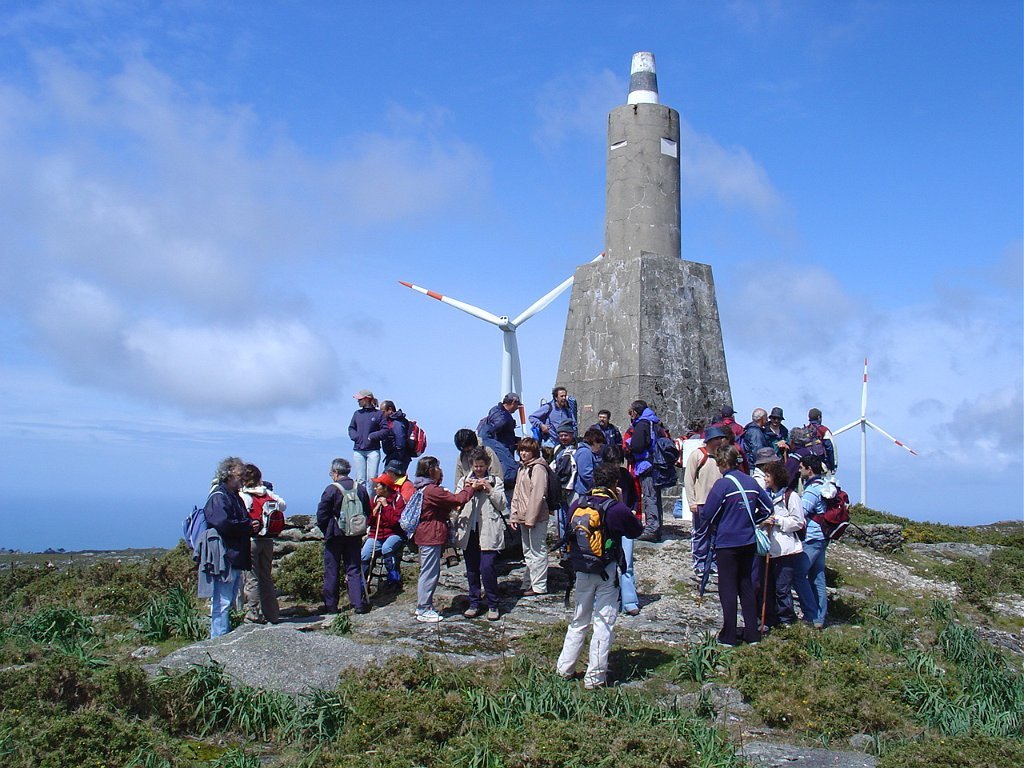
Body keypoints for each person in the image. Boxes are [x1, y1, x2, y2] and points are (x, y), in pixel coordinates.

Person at [555, 462, 643, 689]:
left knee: (579, 620)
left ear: (594, 481)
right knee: (603, 622)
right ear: (615, 483)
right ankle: (594, 678)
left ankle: (564, 668)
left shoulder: (578, 504)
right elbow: (636, 530)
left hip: (582, 569)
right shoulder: (615, 508)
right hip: (607, 570)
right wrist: (621, 502)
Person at [701, 445, 773, 646]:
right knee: (746, 585)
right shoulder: (751, 481)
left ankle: (729, 635)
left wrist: (722, 522)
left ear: (722, 463)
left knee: (728, 588)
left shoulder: (722, 485)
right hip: (748, 540)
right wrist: (752, 521)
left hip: (727, 542)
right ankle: (752, 633)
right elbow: (768, 509)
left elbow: (708, 514)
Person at [410, 455, 477, 623]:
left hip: (425, 534)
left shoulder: (422, 487)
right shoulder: (432, 490)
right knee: (429, 572)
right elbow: (457, 499)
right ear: (430, 470)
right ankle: (424, 608)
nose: (440, 470)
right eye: (437, 467)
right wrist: (470, 488)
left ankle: (423, 606)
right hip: (430, 534)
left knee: (427, 571)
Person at [199, 457, 259, 638]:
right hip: (225, 555)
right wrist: (247, 526)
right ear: (229, 475)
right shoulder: (219, 497)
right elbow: (223, 524)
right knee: (222, 601)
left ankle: (223, 636)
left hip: (234, 554)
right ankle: (218, 639)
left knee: (228, 599)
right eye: (240, 476)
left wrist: (249, 525)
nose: (243, 480)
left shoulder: (232, 496)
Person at [454, 447, 508, 621]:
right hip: (469, 530)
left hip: (488, 529)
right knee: (471, 569)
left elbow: (502, 504)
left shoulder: (495, 481)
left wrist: (489, 488)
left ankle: (493, 604)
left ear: (487, 465)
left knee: (487, 567)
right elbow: (457, 501)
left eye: (481, 466)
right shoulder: (464, 481)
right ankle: (474, 602)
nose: (478, 469)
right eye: (475, 466)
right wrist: (468, 490)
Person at [762, 460, 817, 629]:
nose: (765, 479)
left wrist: (778, 520)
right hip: (768, 548)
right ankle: (771, 619)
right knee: (769, 586)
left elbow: (798, 522)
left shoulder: (791, 497)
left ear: (776, 477)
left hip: (786, 550)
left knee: (782, 587)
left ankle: (786, 620)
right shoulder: (764, 496)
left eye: (768, 475)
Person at [317, 458, 371, 614]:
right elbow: (367, 511)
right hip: (355, 534)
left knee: (332, 569)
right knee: (353, 568)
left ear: (335, 472)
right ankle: (358, 603)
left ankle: (331, 606)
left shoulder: (331, 489)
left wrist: (326, 530)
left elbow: (322, 514)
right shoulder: (360, 488)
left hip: (335, 534)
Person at [239, 464, 286, 625]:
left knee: (252, 579)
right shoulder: (268, 493)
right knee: (266, 577)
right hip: (268, 540)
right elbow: (283, 505)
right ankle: (272, 614)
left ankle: (253, 613)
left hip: (251, 540)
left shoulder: (244, 496)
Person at [684, 425, 730, 574]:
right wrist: (692, 502)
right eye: (717, 439)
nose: (720, 441)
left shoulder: (721, 456)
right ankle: (699, 563)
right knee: (700, 533)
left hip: (719, 503)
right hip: (701, 502)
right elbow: (689, 480)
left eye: (720, 438)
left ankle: (713, 563)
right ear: (709, 440)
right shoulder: (697, 455)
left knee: (716, 533)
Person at [509, 437, 551, 596]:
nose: (523, 453)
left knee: (537, 550)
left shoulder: (538, 468)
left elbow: (538, 495)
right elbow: (517, 493)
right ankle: (528, 582)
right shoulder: (522, 468)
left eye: (527, 450)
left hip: (537, 517)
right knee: (527, 551)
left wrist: (531, 518)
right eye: (521, 450)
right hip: (523, 516)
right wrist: (514, 515)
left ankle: (539, 586)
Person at [602, 444, 641, 615]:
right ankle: (607, 600)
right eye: (612, 462)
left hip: (624, 524)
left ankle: (629, 601)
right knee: (607, 563)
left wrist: (632, 511)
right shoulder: (601, 476)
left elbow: (634, 497)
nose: (615, 466)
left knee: (627, 563)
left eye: (617, 462)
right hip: (606, 527)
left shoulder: (626, 476)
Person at [624, 399, 665, 542]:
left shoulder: (642, 424)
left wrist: (629, 445)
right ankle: (658, 527)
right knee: (655, 496)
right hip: (657, 464)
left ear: (636, 412)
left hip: (646, 465)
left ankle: (651, 529)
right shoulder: (655, 422)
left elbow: (637, 446)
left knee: (649, 497)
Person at [799, 454, 830, 629]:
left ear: (809, 469)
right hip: (822, 536)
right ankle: (820, 617)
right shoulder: (824, 485)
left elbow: (801, 512)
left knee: (799, 574)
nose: (799, 470)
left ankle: (811, 615)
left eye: (801, 467)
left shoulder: (811, 490)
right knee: (818, 576)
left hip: (812, 537)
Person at [361, 474, 406, 588]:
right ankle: (362, 585)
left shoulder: (398, 499)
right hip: (376, 534)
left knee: (387, 548)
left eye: (377, 486)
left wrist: (386, 506)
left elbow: (395, 522)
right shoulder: (374, 499)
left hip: (393, 533)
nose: (375, 488)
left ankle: (394, 580)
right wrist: (376, 509)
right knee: (365, 553)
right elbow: (369, 521)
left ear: (385, 488)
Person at [479, 393, 522, 497]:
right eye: (517, 405)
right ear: (513, 402)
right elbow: (488, 435)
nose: (517, 408)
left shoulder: (495, 411)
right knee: (510, 474)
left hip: (501, 449)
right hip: (502, 453)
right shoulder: (503, 418)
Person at [349, 389, 383, 493]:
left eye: (360, 399)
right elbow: (351, 428)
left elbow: (385, 430)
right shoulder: (357, 414)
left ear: (367, 399)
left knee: (372, 480)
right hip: (358, 450)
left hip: (373, 450)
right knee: (360, 480)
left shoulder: (378, 414)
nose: (358, 401)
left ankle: (370, 501)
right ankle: (362, 502)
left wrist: (373, 436)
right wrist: (356, 437)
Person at [550, 422, 578, 539]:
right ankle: (563, 543)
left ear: (572, 435)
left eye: (566, 435)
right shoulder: (557, 449)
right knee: (560, 520)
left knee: (572, 517)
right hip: (559, 488)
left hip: (573, 489)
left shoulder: (578, 448)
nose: (563, 438)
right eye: (561, 435)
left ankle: (572, 544)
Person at [373, 400, 410, 474]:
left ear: (390, 409)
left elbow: (400, 441)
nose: (381, 415)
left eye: (383, 412)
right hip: (394, 455)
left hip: (397, 456)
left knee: (388, 478)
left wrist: (397, 456)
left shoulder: (397, 423)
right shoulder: (391, 422)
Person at [573, 427, 607, 501]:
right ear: (594, 442)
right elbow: (586, 474)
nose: (600, 448)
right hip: (583, 493)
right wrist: (600, 483)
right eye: (600, 445)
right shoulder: (585, 452)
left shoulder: (589, 452)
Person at [805, 408, 837, 474]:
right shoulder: (823, 430)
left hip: (807, 467)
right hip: (822, 466)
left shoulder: (804, 431)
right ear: (819, 417)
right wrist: (833, 466)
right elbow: (831, 448)